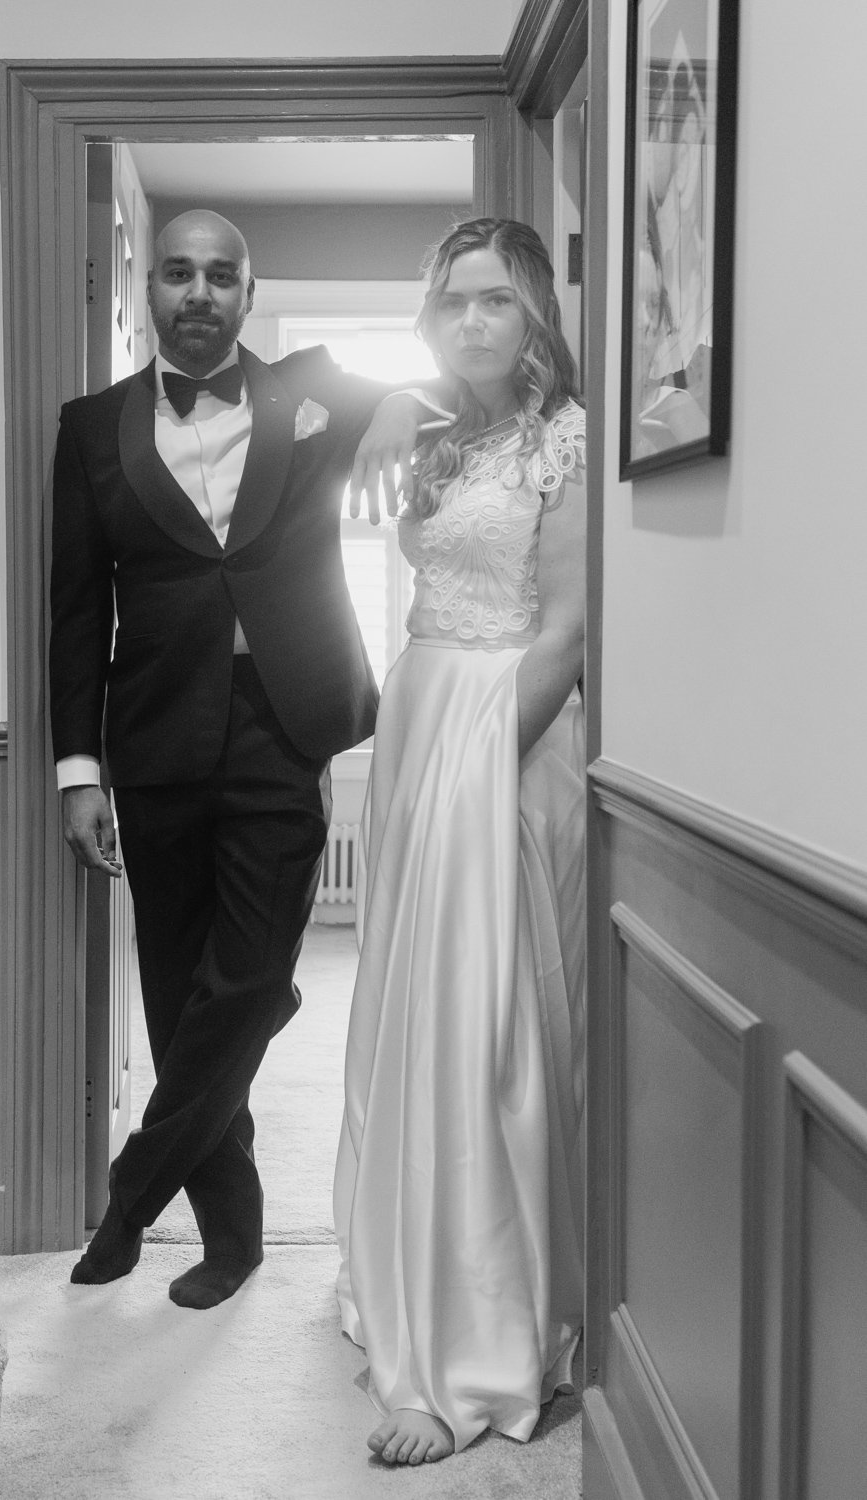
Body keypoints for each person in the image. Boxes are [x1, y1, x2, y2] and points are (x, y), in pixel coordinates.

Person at [49, 209, 447, 1310]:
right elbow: (76, 612)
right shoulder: (89, 428)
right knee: (182, 995)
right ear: (149, 292)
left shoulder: (315, 384)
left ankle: (131, 1193)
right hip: (154, 738)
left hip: (286, 725)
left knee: (254, 977)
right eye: (178, 272)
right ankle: (235, 1232)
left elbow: (458, 390)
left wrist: (396, 412)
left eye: (222, 275)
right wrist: (77, 770)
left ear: (250, 291)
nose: (200, 292)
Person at [333, 217, 586, 1463]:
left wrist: (481, 776)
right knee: (407, 1013)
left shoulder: (567, 443)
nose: (471, 323)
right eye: (450, 304)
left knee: (482, 1032)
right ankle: (397, 1277)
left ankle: (469, 1346)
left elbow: (570, 632)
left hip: (501, 734)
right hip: (418, 720)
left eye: (495, 302)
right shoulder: (438, 437)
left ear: (535, 312)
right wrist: (392, 394)